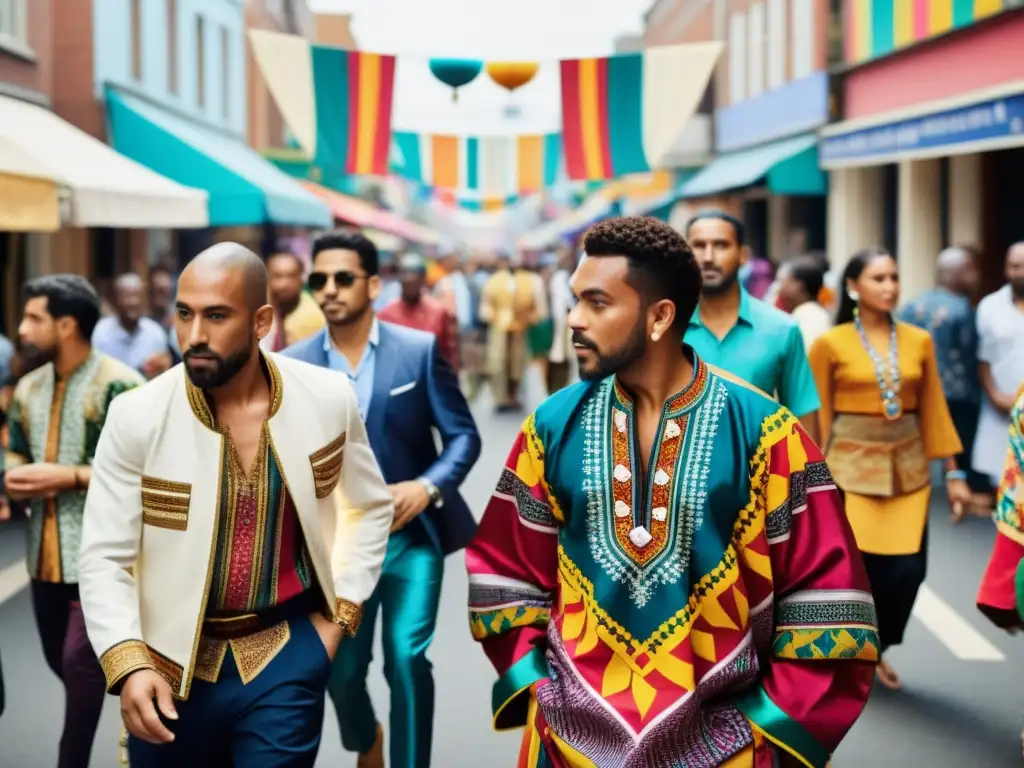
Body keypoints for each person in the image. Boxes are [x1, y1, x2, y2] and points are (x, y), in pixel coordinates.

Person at [467, 217, 877, 768]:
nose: (572, 320)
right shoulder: (550, 426)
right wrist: (540, 689)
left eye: (596, 303)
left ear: (660, 317)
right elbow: (505, 570)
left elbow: (826, 597)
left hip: (728, 747)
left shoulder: (765, 431)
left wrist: (771, 724)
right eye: (574, 301)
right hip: (568, 745)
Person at [78, 243, 394, 767]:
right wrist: (129, 662)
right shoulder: (136, 415)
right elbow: (103, 557)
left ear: (261, 321)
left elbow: (368, 507)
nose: (195, 334)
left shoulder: (326, 397)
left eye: (217, 315)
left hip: (285, 655)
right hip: (167, 671)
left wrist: (337, 620)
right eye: (184, 313)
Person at [284, 230, 481, 768]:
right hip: (334, 551)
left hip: (410, 540)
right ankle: (364, 736)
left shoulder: (416, 353)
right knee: (341, 672)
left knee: (406, 658)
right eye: (318, 280)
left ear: (372, 284)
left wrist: (427, 485)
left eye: (342, 278)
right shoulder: (290, 364)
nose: (329, 290)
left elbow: (464, 435)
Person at [808, 246, 969, 692]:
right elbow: (816, 415)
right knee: (857, 573)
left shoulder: (919, 340)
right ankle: (854, 656)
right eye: (878, 278)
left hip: (909, 467)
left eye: (894, 277)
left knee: (906, 573)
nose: (890, 287)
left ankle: (877, 647)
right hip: (850, 467)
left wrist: (954, 475)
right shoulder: (830, 342)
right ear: (853, 287)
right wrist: (807, 478)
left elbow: (934, 408)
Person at [2, 275, 144, 768]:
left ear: (66, 325)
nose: (21, 328)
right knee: (64, 667)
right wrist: (12, 474)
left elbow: (144, 469)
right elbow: (14, 448)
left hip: (101, 560)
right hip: (42, 557)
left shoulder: (122, 384)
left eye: (34, 318)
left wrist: (70, 476)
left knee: (77, 668)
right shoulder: (26, 388)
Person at [683, 211, 821, 442]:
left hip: (759, 472)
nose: (708, 256)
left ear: (743, 255)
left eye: (720, 245)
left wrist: (811, 476)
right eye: (698, 245)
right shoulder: (664, 328)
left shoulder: (782, 329)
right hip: (680, 473)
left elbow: (804, 419)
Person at [898, 246, 988, 513]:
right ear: (954, 274)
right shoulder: (962, 309)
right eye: (969, 270)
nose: (975, 277)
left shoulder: (911, 305)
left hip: (915, 388)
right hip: (957, 392)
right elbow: (971, 354)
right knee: (960, 442)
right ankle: (966, 493)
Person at [974, 243, 1024, 491]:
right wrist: (996, 396)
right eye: (1014, 266)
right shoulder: (990, 306)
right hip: (1000, 412)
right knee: (1006, 491)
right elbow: (983, 360)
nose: (1020, 272)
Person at [479, 253, 541, 413]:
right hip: (499, 328)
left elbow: (537, 307)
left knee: (517, 364)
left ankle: (513, 396)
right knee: (498, 363)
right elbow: (485, 305)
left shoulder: (529, 281)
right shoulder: (493, 281)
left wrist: (529, 318)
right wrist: (490, 315)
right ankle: (500, 398)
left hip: (520, 329)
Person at [379, 252, 460, 372]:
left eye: (415, 275)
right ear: (399, 279)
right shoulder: (386, 315)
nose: (410, 279)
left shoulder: (438, 313)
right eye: (405, 274)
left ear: (423, 279)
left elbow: (449, 353)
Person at [91, 273, 173, 379]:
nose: (133, 302)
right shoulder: (100, 333)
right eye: (127, 296)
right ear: (116, 299)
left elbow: (164, 374)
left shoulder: (156, 333)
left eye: (137, 295)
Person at [261, 249, 325, 352]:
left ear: (301, 278)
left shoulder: (311, 317)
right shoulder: (259, 310)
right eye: (278, 276)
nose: (284, 284)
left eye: (291, 276)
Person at [776, 256, 833, 351]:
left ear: (799, 286)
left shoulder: (810, 318)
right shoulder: (806, 313)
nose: (780, 288)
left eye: (785, 280)